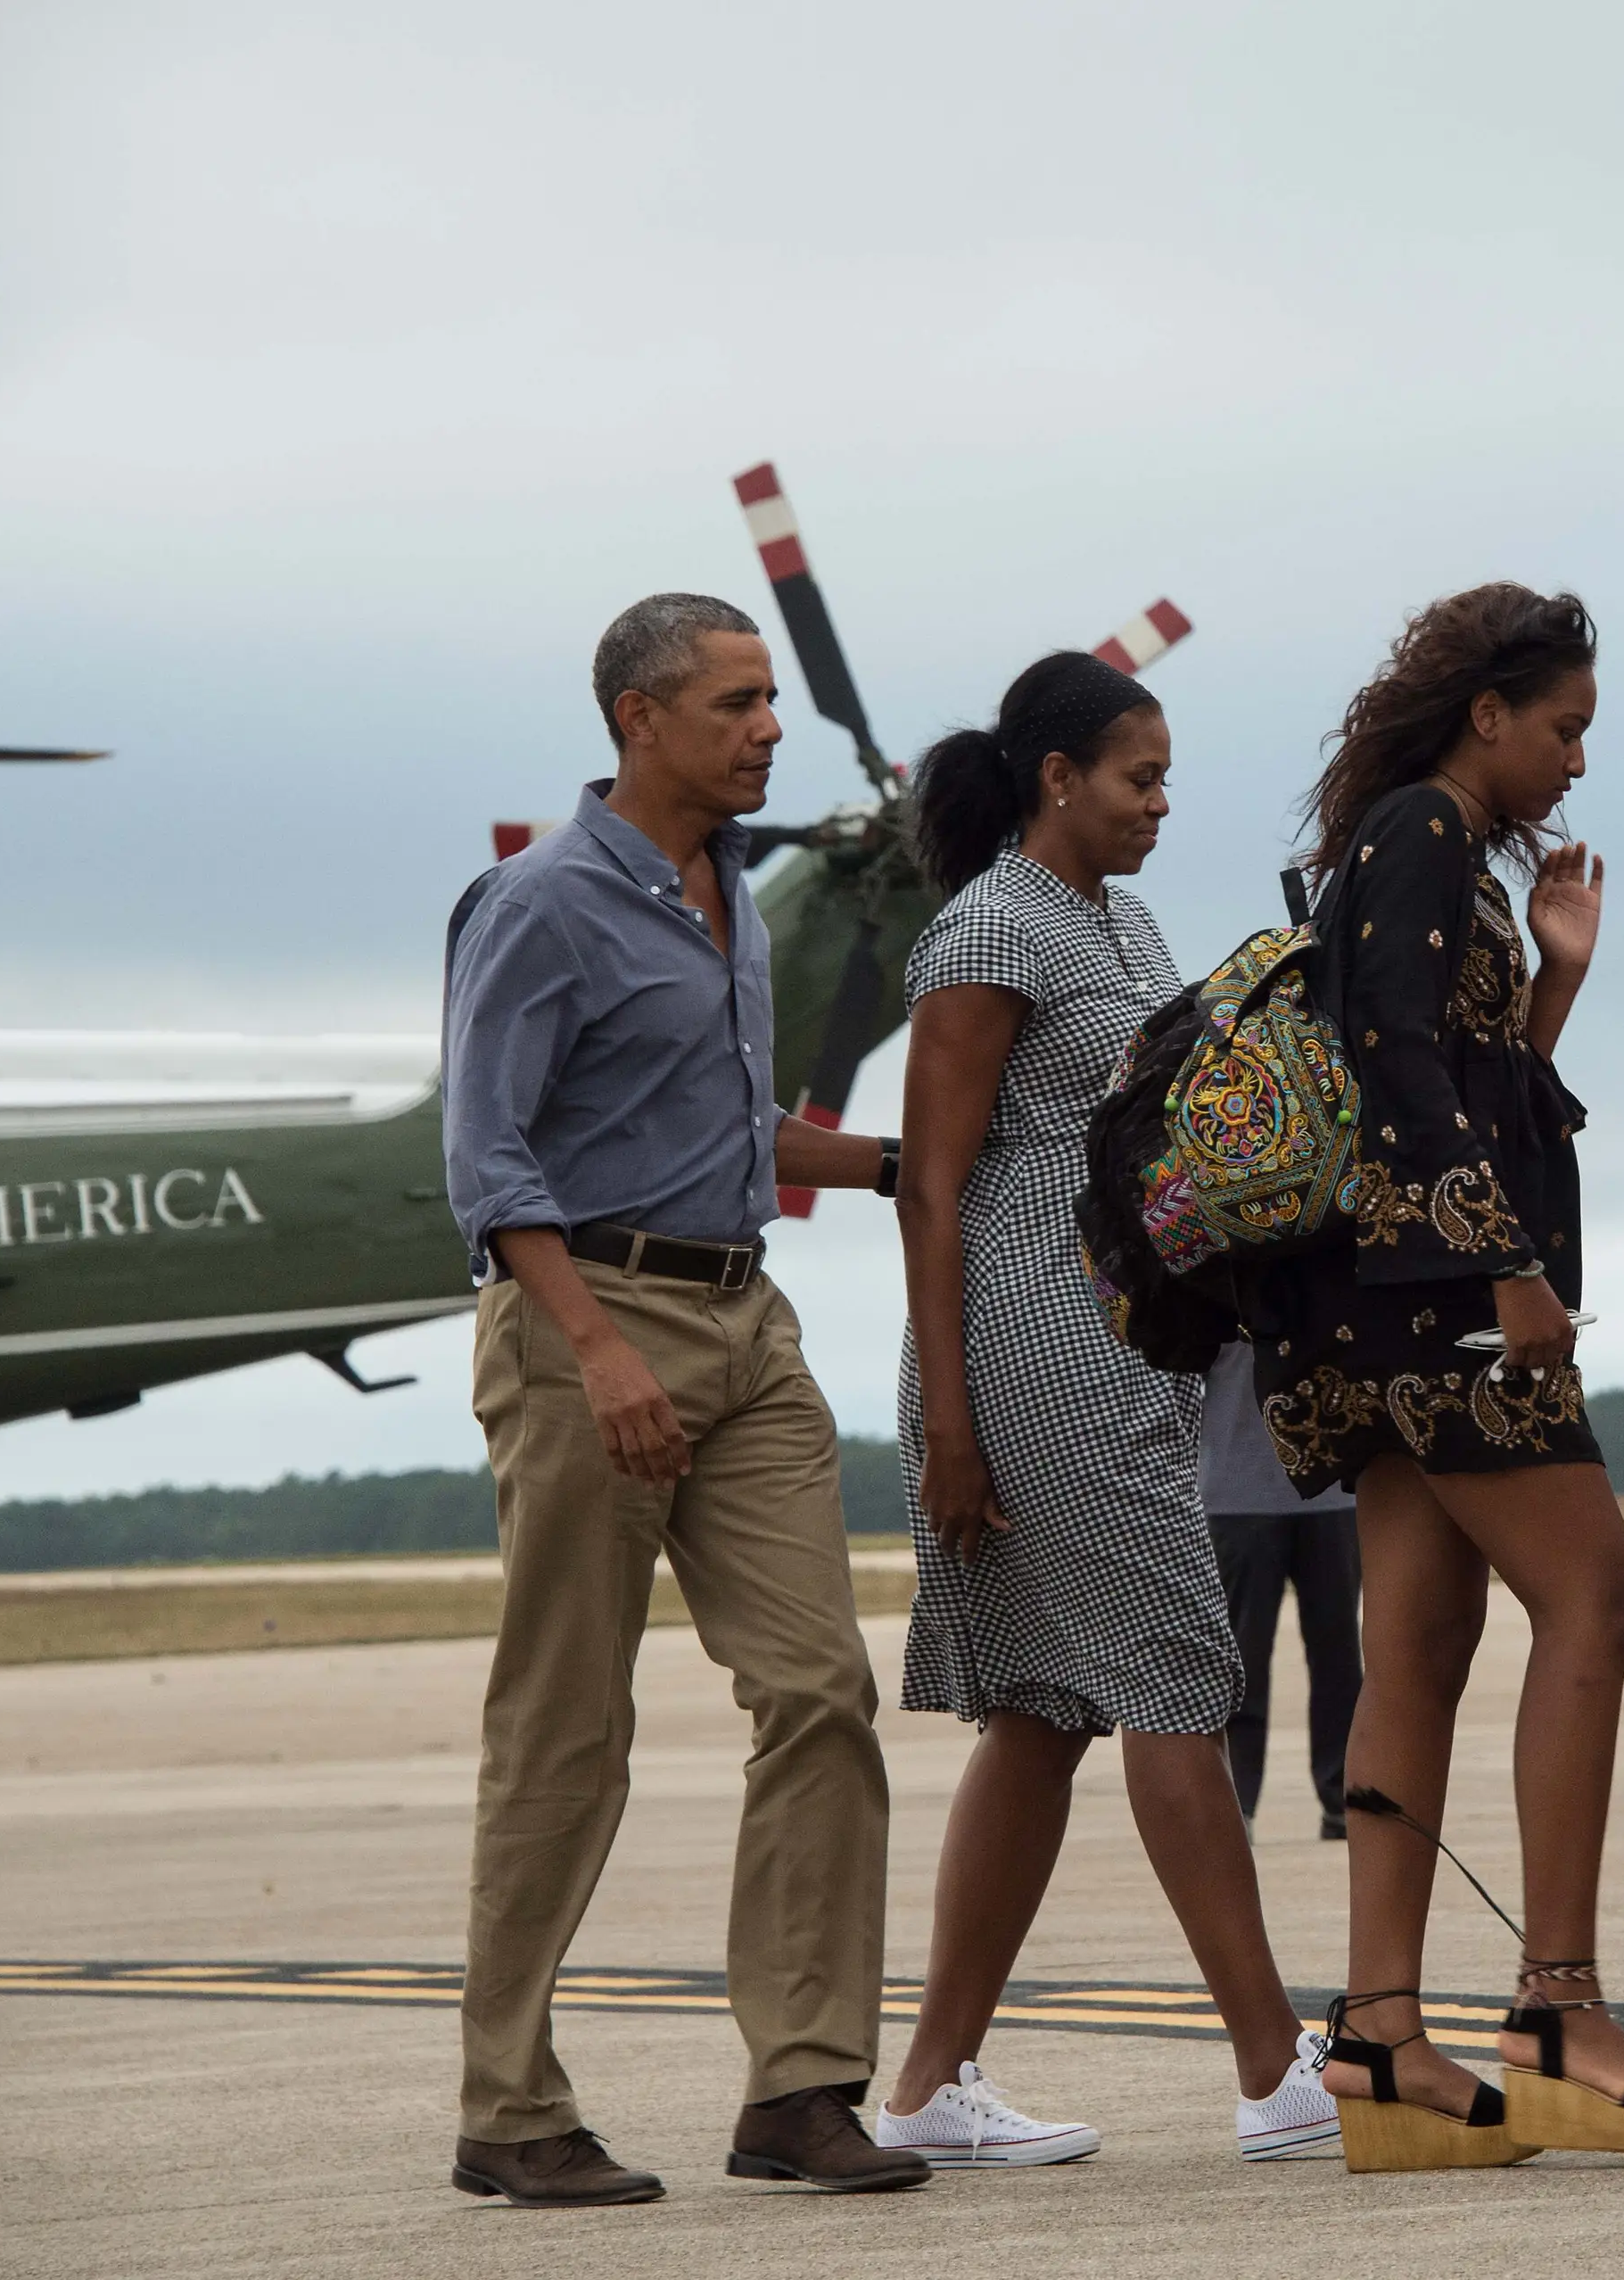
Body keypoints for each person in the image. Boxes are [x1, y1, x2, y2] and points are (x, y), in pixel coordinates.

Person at [441, 592, 927, 2205]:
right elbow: (486, 1157)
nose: (770, 730)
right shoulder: (541, 905)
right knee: (567, 1724)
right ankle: (509, 2108)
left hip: (745, 1322)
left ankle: (800, 2087)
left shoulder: (736, 899)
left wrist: (905, 1164)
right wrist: (595, 1347)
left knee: (821, 1690)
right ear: (639, 720)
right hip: (589, 1322)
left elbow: (729, 1129)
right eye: (735, 704)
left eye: (772, 700)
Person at [1243, 582, 1624, 2169]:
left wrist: (1553, 981)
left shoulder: (1409, 845)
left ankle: (1383, 2038)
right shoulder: (1428, 832)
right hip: (1436, 1303)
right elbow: (1395, 1062)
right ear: (1488, 714)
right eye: (1564, 728)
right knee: (1598, 1600)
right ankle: (1557, 2007)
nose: (1576, 761)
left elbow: (1465, 1071)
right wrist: (1507, 1265)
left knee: (1420, 1642)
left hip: (1377, 1308)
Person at [877, 650, 1337, 2168]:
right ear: (1056, 778)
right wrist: (952, 1426)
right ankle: (1274, 2068)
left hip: (1125, 1337)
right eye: (1138, 778)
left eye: (1167, 780)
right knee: (1179, 1672)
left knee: (1042, 1711)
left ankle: (926, 2089)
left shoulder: (1124, 925)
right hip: (1028, 1344)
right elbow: (930, 1184)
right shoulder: (988, 930)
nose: (1159, 804)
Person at [1202, 1343, 1363, 1841]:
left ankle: (1344, 1800)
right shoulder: (1211, 1290)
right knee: (1240, 1659)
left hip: (1334, 1490)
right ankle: (1237, 1804)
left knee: (1340, 1658)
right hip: (1236, 1493)